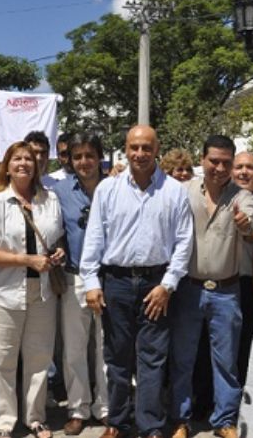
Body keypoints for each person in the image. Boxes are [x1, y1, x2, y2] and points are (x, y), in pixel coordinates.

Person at [81, 125, 193, 438]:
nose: (140, 154)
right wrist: (91, 282)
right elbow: (95, 238)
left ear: (157, 149)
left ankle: (151, 426)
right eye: (134, 148)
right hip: (115, 283)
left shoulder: (174, 191)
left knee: (152, 359)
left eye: (146, 147)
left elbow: (184, 243)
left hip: (156, 284)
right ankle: (117, 422)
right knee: (117, 358)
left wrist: (167, 285)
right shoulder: (108, 189)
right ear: (126, 150)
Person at [0, 141, 65, 438]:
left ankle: (35, 417)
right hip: (3, 293)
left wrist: (58, 253)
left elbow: (58, 238)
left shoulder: (49, 199)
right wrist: (24, 260)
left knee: (39, 358)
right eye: (17, 159)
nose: (24, 163)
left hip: (41, 292)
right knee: (3, 361)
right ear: (7, 165)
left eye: (29, 158)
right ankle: (3, 422)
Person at [169, 135, 253, 438]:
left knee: (226, 361)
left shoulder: (242, 196)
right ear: (202, 160)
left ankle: (225, 421)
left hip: (226, 291)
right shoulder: (182, 191)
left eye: (225, 163)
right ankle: (180, 419)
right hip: (188, 289)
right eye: (213, 161)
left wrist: (246, 224)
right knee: (183, 358)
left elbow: (251, 221)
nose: (219, 168)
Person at [51, 133, 109, 435]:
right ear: (70, 161)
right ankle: (78, 408)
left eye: (89, 155)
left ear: (99, 156)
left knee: (105, 347)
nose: (84, 162)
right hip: (74, 277)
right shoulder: (60, 191)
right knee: (74, 349)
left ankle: (105, 408)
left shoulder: (114, 186)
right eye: (77, 157)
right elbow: (54, 227)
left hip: (109, 278)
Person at [230, 152, 253, 386]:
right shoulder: (223, 198)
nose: (243, 172)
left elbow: (250, 229)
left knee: (246, 342)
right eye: (239, 166)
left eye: (249, 167)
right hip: (225, 281)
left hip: (249, 281)